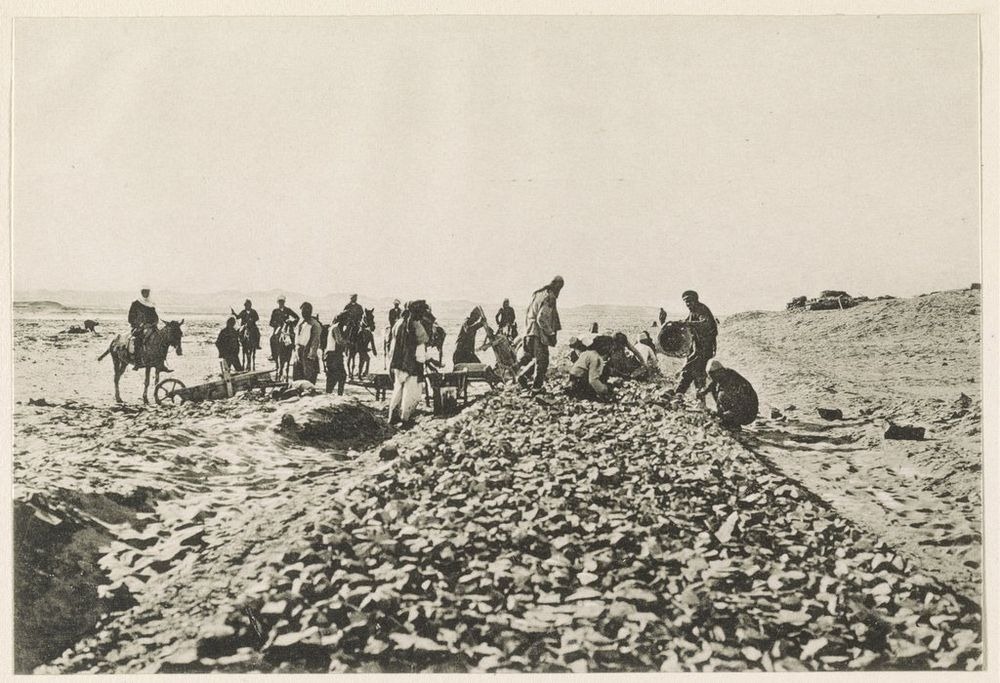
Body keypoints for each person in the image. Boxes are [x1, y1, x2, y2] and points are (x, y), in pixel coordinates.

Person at [388, 299, 431, 427]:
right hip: (411, 365)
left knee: (398, 391)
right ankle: (405, 420)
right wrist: (426, 361)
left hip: (397, 364)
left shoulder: (398, 323)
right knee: (411, 393)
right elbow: (420, 351)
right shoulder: (415, 325)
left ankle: (392, 418)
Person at [516, 275, 563, 390]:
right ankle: (536, 388)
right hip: (538, 333)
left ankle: (523, 376)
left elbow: (529, 314)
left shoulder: (538, 294)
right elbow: (541, 318)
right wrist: (551, 333)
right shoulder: (549, 297)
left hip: (529, 332)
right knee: (543, 361)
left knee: (539, 359)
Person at [673, 290, 718, 397]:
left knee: (691, 371)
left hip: (704, 348)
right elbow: (688, 322)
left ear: (695, 300)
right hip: (697, 348)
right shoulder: (693, 311)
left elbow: (705, 324)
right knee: (695, 373)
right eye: (685, 302)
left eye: (689, 301)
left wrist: (687, 323)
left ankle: (679, 394)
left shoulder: (702, 309)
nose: (687, 304)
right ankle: (697, 398)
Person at [697, 360, 758, 430]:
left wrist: (721, 415)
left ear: (720, 371)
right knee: (718, 391)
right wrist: (704, 391)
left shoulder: (732, 384)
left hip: (748, 413)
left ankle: (733, 424)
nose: (712, 378)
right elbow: (714, 382)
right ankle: (727, 419)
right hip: (742, 408)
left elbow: (738, 408)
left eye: (713, 376)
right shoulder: (725, 374)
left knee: (722, 395)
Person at [127, 288, 165, 371]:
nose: (146, 294)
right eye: (144, 292)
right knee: (138, 340)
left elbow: (155, 317)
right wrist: (140, 324)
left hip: (151, 327)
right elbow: (130, 318)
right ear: (141, 293)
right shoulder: (135, 303)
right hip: (138, 327)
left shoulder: (151, 304)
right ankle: (137, 362)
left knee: (161, 339)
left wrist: (154, 323)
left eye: (147, 292)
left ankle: (161, 363)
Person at [295, 302, 323, 384]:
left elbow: (315, 341)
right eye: (302, 311)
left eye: (305, 311)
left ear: (309, 311)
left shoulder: (315, 324)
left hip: (307, 354)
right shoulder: (301, 323)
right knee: (297, 379)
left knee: (308, 379)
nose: (303, 313)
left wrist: (311, 356)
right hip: (298, 353)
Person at [268, 296, 299, 360]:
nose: (281, 303)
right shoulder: (275, 311)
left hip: (287, 327)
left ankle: (294, 349)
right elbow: (271, 322)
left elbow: (297, 317)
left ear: (284, 302)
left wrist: (291, 322)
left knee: (292, 335)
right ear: (278, 303)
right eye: (280, 302)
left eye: (282, 302)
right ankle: (273, 354)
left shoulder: (288, 310)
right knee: (272, 338)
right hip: (278, 328)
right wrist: (276, 324)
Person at [325, 314, 349, 395]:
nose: (347, 322)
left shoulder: (335, 327)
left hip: (333, 355)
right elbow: (339, 341)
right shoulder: (336, 328)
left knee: (335, 377)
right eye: (346, 320)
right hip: (333, 355)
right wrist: (348, 342)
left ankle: (331, 394)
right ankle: (337, 394)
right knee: (340, 376)